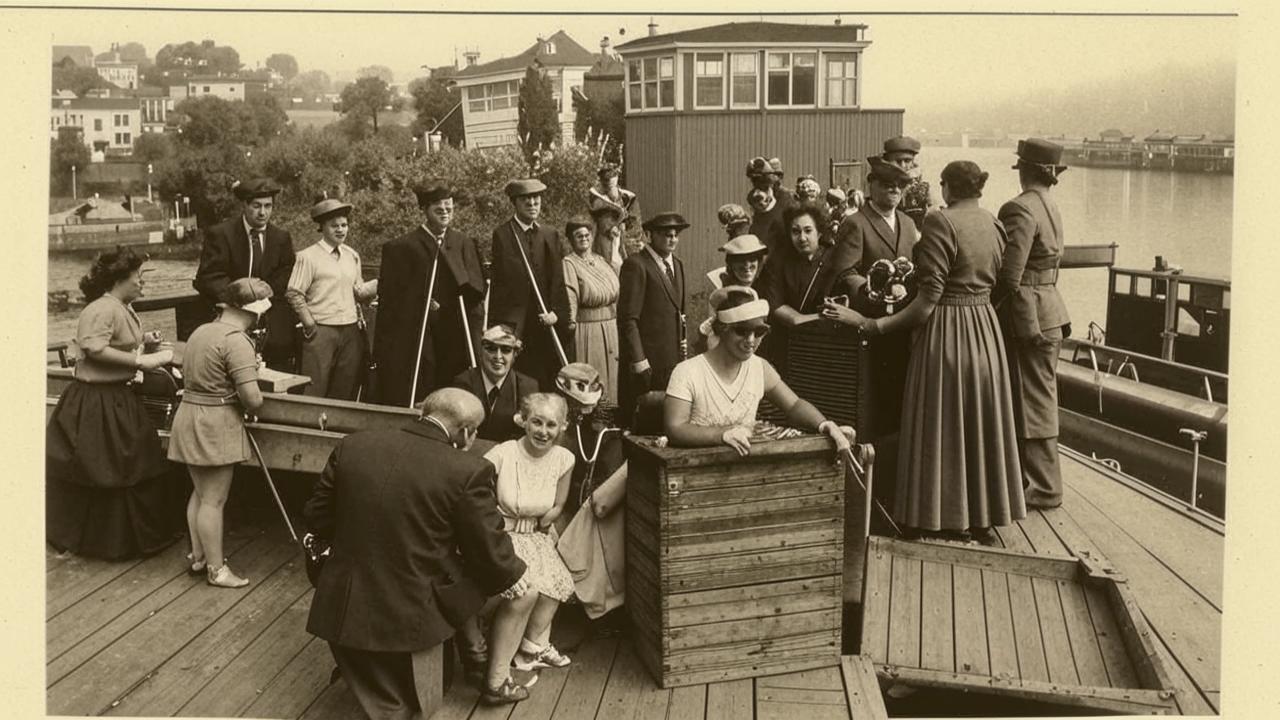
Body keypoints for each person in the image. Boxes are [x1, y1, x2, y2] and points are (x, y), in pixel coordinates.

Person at [822, 161, 1025, 543]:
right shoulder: (994, 223)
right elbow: (1002, 281)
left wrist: (873, 324)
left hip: (947, 331)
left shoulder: (939, 222)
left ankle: (929, 517)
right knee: (978, 423)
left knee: (936, 424)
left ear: (947, 188)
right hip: (985, 329)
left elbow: (928, 301)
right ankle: (980, 517)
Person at [304, 388, 531, 715]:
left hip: (341, 607)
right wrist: (512, 573)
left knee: (382, 695)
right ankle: (480, 665)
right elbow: (487, 547)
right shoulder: (467, 471)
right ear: (466, 432)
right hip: (411, 621)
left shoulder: (354, 445)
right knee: (413, 705)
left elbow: (316, 517)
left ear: (423, 411)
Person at [46, 247, 180, 561]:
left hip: (117, 397)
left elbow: (114, 340)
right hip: (96, 402)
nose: (142, 284)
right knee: (107, 466)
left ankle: (121, 538)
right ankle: (104, 540)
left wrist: (145, 341)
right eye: (139, 278)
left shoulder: (120, 306)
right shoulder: (101, 308)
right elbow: (93, 346)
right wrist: (141, 361)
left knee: (130, 462)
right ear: (120, 279)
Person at [167, 278, 272, 587]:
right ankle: (217, 570)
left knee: (199, 494)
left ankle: (199, 558)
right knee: (214, 499)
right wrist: (255, 393)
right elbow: (252, 399)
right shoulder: (237, 340)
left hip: (188, 415)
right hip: (215, 422)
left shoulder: (201, 331)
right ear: (255, 312)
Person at [664, 287, 855, 456]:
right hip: (696, 471)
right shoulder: (688, 372)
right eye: (741, 331)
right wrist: (721, 434)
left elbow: (794, 405)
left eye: (759, 332)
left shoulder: (759, 367)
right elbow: (675, 427)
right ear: (722, 329)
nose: (751, 340)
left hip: (746, 465)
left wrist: (824, 424)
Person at [483, 394, 577, 700]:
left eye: (552, 424)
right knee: (528, 585)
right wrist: (503, 519)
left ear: (562, 426)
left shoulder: (564, 458)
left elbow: (559, 504)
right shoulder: (503, 453)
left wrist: (540, 523)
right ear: (522, 420)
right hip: (503, 534)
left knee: (557, 582)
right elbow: (475, 494)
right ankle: (512, 653)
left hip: (537, 532)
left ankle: (531, 647)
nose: (543, 431)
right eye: (536, 421)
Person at [996, 138, 1073, 509]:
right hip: (1052, 311)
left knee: (1033, 401)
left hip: (1029, 318)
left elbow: (1010, 276)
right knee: (1041, 397)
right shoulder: (1052, 206)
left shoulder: (1019, 208)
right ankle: (1039, 481)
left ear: (1023, 170)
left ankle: (1043, 488)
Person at [830, 158, 921, 437]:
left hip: (903, 324)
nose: (894, 190)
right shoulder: (856, 223)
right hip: (869, 323)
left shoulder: (907, 222)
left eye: (900, 186)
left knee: (902, 399)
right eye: (887, 185)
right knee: (873, 402)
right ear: (872, 185)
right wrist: (875, 293)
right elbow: (844, 272)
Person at [374, 184, 486, 407]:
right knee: (422, 385)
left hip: (455, 331)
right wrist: (420, 303)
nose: (445, 212)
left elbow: (477, 289)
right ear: (424, 209)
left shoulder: (464, 243)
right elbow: (390, 299)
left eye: (449, 208)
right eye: (438, 208)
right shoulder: (401, 248)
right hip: (418, 334)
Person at [193, 178, 297, 371]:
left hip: (268, 318)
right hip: (231, 315)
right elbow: (208, 276)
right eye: (256, 206)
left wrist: (264, 295)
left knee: (276, 365)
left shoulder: (281, 238)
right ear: (244, 205)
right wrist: (241, 294)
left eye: (268, 206)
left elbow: (285, 273)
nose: (263, 213)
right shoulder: (221, 234)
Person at [553, 364, 627, 621]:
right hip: (563, 503)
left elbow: (609, 474)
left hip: (597, 507)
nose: (584, 408)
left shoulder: (610, 432)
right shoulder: (561, 427)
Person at [286, 198, 378, 401]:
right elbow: (294, 292)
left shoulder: (351, 255)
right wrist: (310, 324)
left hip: (350, 330)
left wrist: (383, 281)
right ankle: (309, 430)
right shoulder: (307, 256)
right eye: (334, 225)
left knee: (345, 386)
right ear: (322, 227)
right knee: (315, 387)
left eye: (344, 225)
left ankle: (336, 431)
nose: (340, 230)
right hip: (321, 330)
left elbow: (359, 291)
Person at [489, 178, 574, 390]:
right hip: (519, 325)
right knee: (521, 380)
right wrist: (506, 327)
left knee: (551, 378)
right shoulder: (503, 235)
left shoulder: (550, 234)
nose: (532, 204)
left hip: (547, 322)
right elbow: (501, 286)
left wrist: (557, 313)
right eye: (526, 200)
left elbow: (558, 280)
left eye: (536, 199)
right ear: (515, 203)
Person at [617, 211, 689, 428]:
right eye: (667, 234)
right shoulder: (636, 264)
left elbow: (679, 311)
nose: (672, 239)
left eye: (676, 234)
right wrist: (639, 360)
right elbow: (628, 319)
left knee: (668, 420)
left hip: (673, 360)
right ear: (650, 235)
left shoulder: (678, 264)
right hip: (647, 362)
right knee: (643, 422)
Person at [761, 204, 842, 372]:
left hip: (827, 342)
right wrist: (809, 318)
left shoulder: (835, 258)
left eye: (808, 230)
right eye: (795, 232)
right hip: (788, 340)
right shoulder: (778, 262)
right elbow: (776, 306)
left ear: (819, 233)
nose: (802, 237)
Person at [562, 216, 621, 407]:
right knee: (592, 378)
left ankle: (609, 420)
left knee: (612, 378)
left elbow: (617, 284)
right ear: (571, 239)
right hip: (588, 329)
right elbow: (570, 294)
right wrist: (570, 325)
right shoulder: (569, 263)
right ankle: (590, 423)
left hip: (611, 327)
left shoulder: (600, 260)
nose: (584, 239)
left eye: (587, 235)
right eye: (579, 236)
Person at [451, 325, 537, 444]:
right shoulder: (464, 383)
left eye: (506, 350)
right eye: (491, 349)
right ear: (480, 351)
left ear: (515, 354)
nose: (498, 356)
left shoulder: (527, 387)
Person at [882, 136, 932, 231]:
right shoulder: (880, 185)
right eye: (898, 161)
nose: (903, 165)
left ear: (913, 162)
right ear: (887, 161)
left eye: (907, 161)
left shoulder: (922, 189)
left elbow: (931, 214)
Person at [587, 165, 640, 230]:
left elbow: (634, 219)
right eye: (605, 180)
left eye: (611, 177)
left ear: (617, 178)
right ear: (601, 180)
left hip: (623, 233)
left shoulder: (629, 197)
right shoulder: (595, 197)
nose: (608, 181)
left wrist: (625, 225)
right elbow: (592, 218)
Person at [590, 207, 627, 274]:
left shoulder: (618, 229)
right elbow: (604, 227)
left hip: (616, 261)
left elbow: (622, 247)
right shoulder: (602, 226)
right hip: (605, 260)